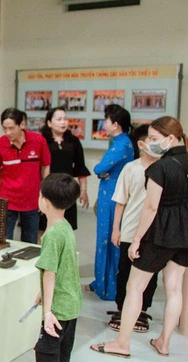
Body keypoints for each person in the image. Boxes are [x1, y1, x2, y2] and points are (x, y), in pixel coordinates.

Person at [91, 116, 188, 358]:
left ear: (171, 138)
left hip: (160, 234)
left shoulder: (160, 168)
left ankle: (122, 343)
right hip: (185, 234)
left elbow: (151, 208)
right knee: (174, 287)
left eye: (155, 139)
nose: (150, 143)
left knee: (135, 286)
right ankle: (164, 342)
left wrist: (135, 240)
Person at [108, 124, 159, 333]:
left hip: (154, 232)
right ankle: (122, 308)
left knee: (150, 273)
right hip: (129, 230)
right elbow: (120, 201)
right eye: (152, 139)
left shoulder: (163, 168)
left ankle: (142, 310)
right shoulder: (130, 168)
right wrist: (115, 229)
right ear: (141, 144)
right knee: (125, 271)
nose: (157, 144)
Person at [33, 173, 82, 362]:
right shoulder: (65, 227)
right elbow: (64, 267)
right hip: (71, 304)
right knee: (62, 357)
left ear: (44, 201)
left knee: (46, 357)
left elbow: (50, 273)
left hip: (59, 309)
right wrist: (42, 293)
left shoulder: (51, 235)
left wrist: (48, 312)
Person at [89, 105, 135, 300]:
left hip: (113, 197)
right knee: (107, 240)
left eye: (106, 121)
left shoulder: (120, 145)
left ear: (115, 124)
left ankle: (108, 287)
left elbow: (100, 167)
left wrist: (101, 171)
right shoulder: (121, 142)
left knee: (108, 240)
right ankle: (103, 282)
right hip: (113, 193)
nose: (104, 124)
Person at [0, 107, 51, 244]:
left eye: (11, 128)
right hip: (8, 201)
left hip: (32, 200)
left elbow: (46, 166)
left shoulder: (38, 141)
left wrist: (43, 193)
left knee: (30, 242)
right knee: (4, 240)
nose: (8, 132)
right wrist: (3, 189)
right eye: (4, 128)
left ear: (22, 125)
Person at [39, 107, 90, 233]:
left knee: (66, 227)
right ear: (49, 123)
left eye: (65, 119)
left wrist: (83, 190)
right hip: (48, 189)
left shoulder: (73, 141)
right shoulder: (42, 141)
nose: (63, 122)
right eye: (59, 119)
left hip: (67, 188)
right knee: (44, 227)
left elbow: (80, 167)